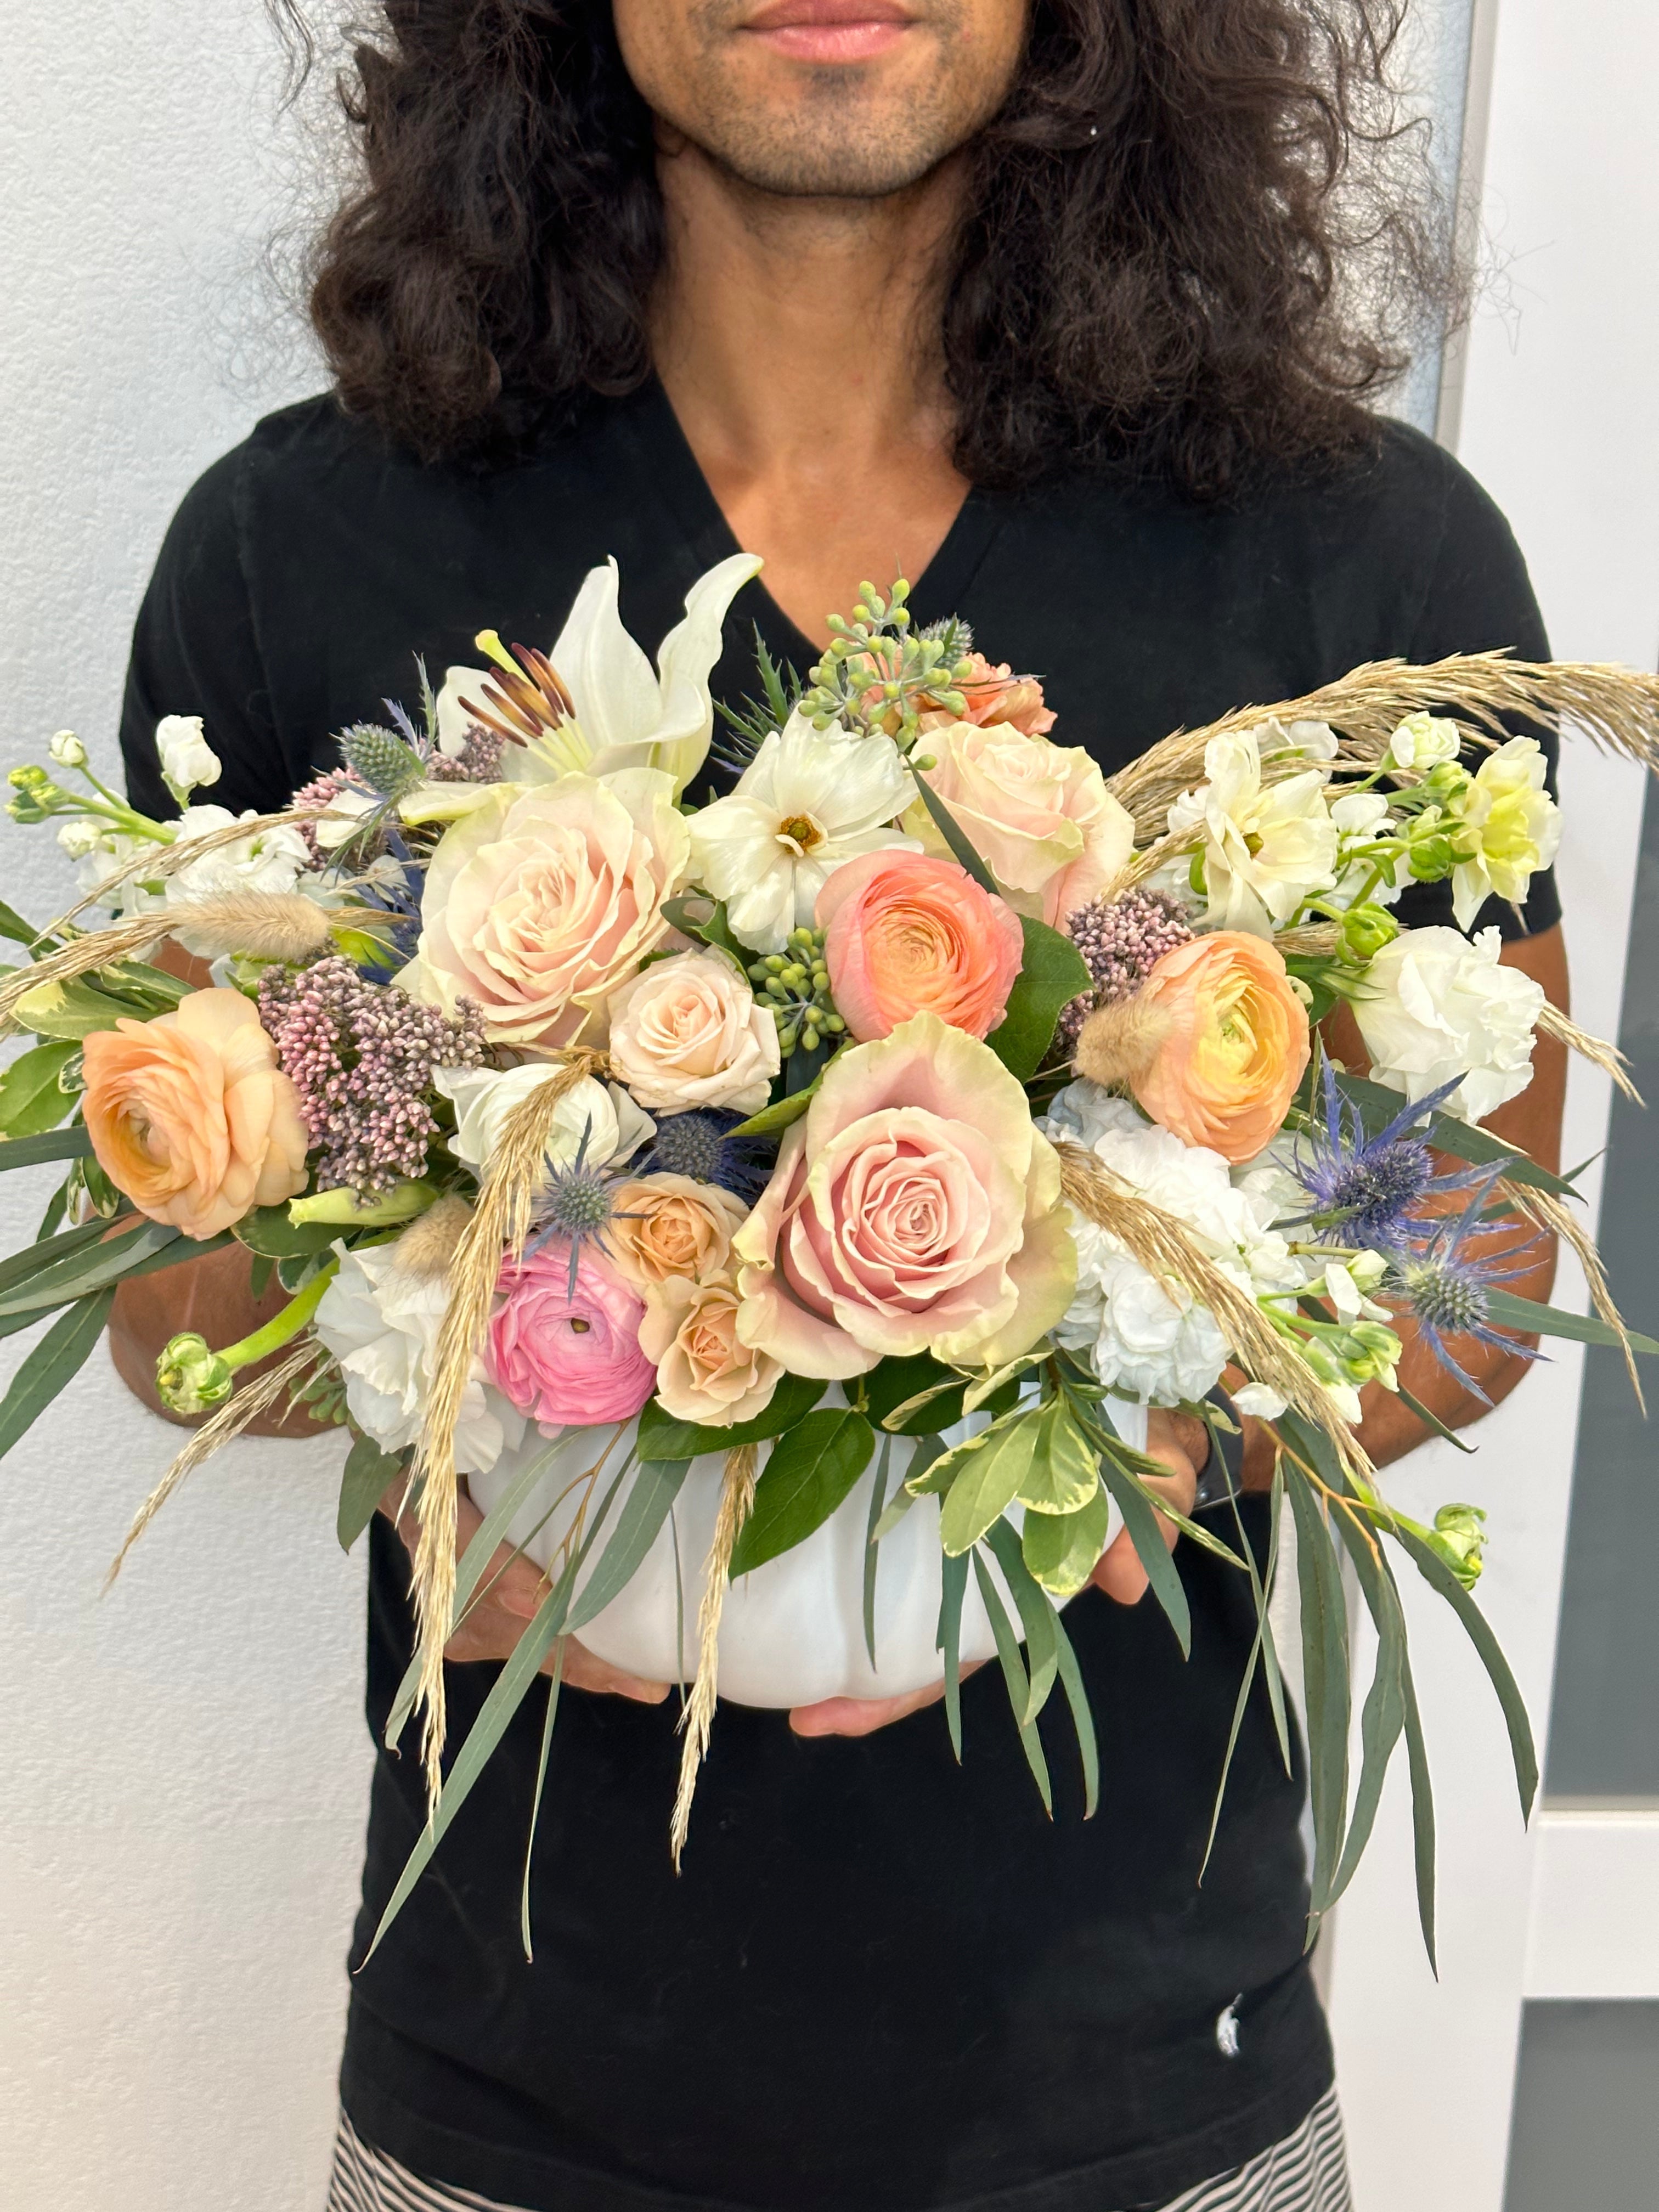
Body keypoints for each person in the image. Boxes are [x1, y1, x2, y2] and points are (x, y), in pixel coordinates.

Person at [117, 3, 1569, 2208]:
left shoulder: (1361, 563)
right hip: (509, 2112)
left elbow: (1479, 1253)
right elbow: (165, 1303)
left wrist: (1148, 1431)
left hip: (1151, 2108)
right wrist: (430, 1384)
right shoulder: (298, 551)